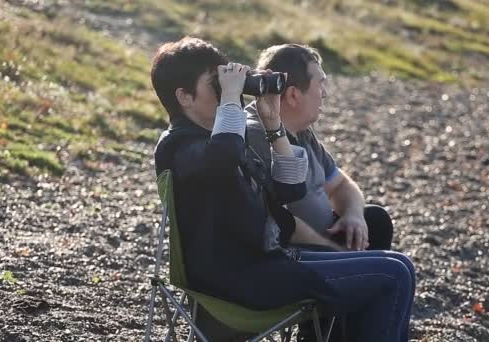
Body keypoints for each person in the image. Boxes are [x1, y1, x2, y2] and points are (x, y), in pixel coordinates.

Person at [151, 36, 415, 341]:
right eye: (217, 82)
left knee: (398, 266)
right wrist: (232, 99)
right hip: (242, 278)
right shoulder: (180, 145)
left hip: (269, 263)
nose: (227, 90)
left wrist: (274, 123)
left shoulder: (220, 140)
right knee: (392, 275)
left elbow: (289, 192)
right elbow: (223, 156)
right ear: (184, 96)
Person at [246, 44, 394, 253]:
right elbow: (280, 221)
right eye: (320, 84)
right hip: (298, 253)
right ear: (293, 95)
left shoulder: (302, 129)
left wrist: (353, 215)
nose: (324, 93)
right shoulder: (256, 136)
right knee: (395, 271)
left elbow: (341, 184)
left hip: (325, 239)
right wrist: (336, 251)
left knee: (375, 219)